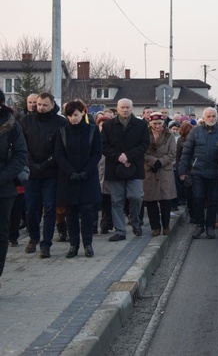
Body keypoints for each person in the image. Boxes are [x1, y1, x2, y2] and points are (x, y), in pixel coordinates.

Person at [21, 92, 68, 258]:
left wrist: (45, 164)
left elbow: (60, 149)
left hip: (51, 172)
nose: (41, 108)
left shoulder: (60, 122)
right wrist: (32, 164)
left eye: (44, 105)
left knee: (49, 208)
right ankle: (33, 238)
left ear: (51, 105)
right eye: (39, 104)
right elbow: (22, 145)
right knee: (30, 209)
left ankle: (46, 244)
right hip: (31, 173)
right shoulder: (27, 120)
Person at [54, 100, 102, 258]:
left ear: (83, 112)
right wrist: (70, 172)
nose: (72, 118)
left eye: (75, 115)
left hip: (88, 177)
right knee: (71, 212)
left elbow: (97, 153)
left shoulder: (93, 130)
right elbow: (59, 155)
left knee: (87, 211)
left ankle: (88, 244)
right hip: (68, 178)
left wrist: (86, 172)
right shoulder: (62, 132)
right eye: (69, 115)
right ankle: (73, 245)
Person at [101, 98, 149, 241]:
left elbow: (144, 144)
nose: (125, 110)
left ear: (132, 108)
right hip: (114, 168)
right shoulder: (108, 125)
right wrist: (118, 157)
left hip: (134, 167)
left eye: (127, 107)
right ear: (117, 108)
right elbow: (104, 146)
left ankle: (135, 222)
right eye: (122, 107)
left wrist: (128, 156)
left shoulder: (140, 125)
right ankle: (120, 231)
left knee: (136, 196)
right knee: (117, 201)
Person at [179, 107, 218, 239]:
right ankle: (199, 225)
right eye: (208, 116)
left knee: (213, 201)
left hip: (215, 172)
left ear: (216, 117)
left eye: (213, 116)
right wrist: (182, 170)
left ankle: (210, 226)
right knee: (198, 198)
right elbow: (186, 152)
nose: (211, 119)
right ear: (204, 117)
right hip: (198, 171)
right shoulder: (195, 132)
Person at [0, 90, 28, 287]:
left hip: (4, 187)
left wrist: (2, 177)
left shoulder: (11, 126)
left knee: (1, 233)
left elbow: (20, 156)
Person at [143, 112, 177, 237]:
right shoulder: (145, 135)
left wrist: (161, 161)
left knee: (165, 201)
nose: (157, 126)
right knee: (151, 201)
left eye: (159, 124)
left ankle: (166, 226)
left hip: (164, 170)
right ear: (150, 124)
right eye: (155, 124)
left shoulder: (169, 135)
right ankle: (155, 227)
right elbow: (142, 151)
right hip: (149, 170)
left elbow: (172, 152)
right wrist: (153, 161)